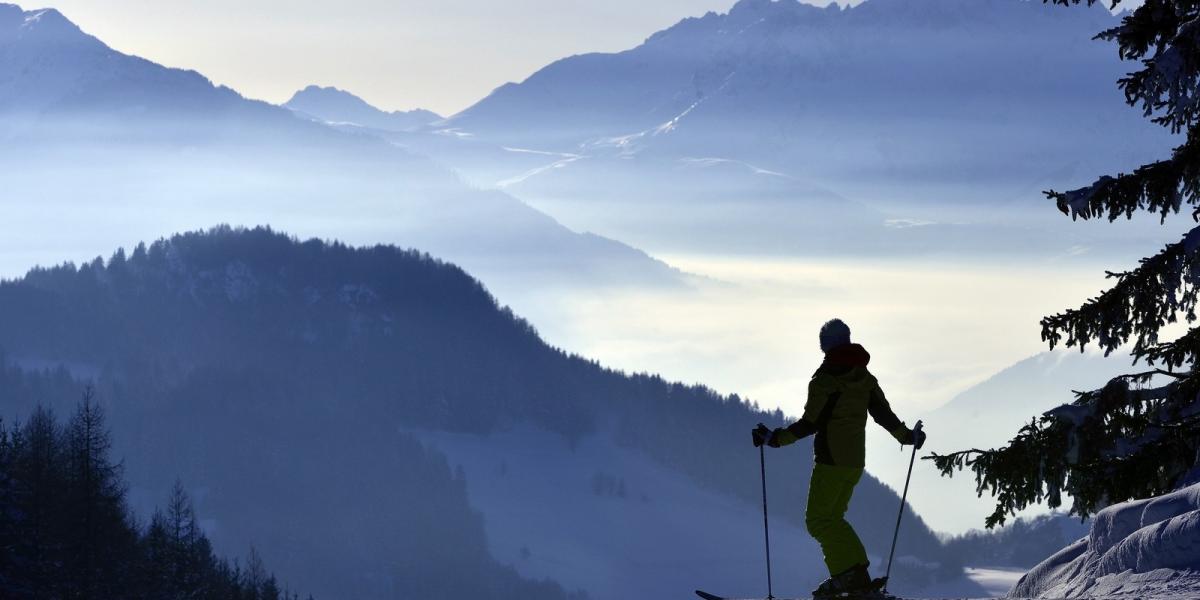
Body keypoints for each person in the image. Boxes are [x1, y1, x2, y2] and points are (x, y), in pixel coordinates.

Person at [752, 318, 926, 598]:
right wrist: (908, 436)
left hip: (830, 460)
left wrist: (774, 439)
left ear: (825, 346)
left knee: (818, 521)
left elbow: (810, 423)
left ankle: (848, 580)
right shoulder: (864, 377)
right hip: (855, 463)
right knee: (834, 518)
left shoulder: (826, 380)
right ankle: (857, 576)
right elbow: (883, 414)